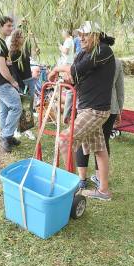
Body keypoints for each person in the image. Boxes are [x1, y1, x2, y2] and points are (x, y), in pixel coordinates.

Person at [48, 20, 115, 201]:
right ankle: (104, 191)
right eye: (80, 34)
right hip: (87, 108)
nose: (81, 38)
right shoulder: (83, 53)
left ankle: (69, 190)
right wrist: (64, 76)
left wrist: (57, 68)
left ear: (97, 35)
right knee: (99, 148)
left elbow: (75, 69)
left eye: (85, 34)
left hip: (94, 110)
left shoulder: (102, 50)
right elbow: (74, 76)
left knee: (63, 141)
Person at [76, 57, 124, 189]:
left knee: (82, 139)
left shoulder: (85, 59)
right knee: (103, 142)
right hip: (110, 107)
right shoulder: (116, 62)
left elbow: (76, 84)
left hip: (87, 106)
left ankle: (82, 179)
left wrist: (70, 108)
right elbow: (120, 89)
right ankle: (98, 178)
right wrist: (119, 109)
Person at [0, 17, 22, 153]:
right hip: (2, 84)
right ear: (0, 26)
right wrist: (13, 82)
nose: (11, 28)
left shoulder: (1, 42)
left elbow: (5, 63)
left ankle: (7, 138)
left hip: (0, 83)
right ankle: (6, 136)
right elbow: (2, 68)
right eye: (8, 26)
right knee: (16, 107)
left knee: (4, 110)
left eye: (12, 26)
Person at [10, 29, 35, 140]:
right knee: (21, 105)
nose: (23, 38)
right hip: (22, 81)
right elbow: (15, 71)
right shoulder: (14, 53)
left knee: (29, 105)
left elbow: (32, 47)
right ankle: (17, 129)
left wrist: (31, 36)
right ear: (16, 38)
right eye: (21, 37)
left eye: (23, 36)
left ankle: (27, 129)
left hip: (30, 79)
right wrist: (21, 84)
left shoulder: (25, 49)